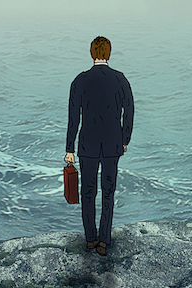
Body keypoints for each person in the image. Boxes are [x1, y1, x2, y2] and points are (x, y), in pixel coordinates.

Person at [64, 36, 134, 257]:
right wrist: (125, 140)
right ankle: (104, 240)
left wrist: (69, 149)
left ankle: (90, 238)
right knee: (108, 192)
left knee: (88, 192)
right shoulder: (120, 79)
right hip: (113, 143)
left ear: (92, 52)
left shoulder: (80, 80)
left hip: (88, 144)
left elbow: (73, 117)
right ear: (109, 53)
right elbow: (129, 111)